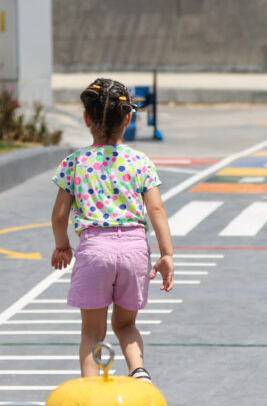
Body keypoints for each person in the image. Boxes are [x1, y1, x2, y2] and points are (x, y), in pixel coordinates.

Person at [49, 78, 174, 383]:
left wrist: (62, 245)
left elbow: (59, 215)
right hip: (133, 249)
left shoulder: (75, 162)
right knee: (126, 325)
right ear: (128, 118)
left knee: (92, 331)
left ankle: (91, 390)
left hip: (94, 251)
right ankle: (139, 372)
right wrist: (167, 253)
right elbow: (156, 209)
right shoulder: (140, 162)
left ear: (87, 118)